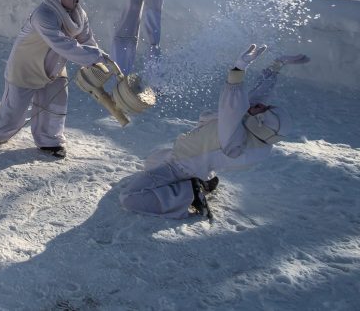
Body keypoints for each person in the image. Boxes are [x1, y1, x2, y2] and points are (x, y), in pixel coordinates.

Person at [119, 44, 309, 220]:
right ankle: (203, 182)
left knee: (129, 198)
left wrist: (239, 69)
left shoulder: (233, 138)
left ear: (260, 122)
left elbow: (231, 103)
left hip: (179, 168)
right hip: (180, 159)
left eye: (262, 108)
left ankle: (190, 192)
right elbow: (261, 92)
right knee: (150, 162)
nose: (261, 104)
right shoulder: (252, 128)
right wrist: (277, 65)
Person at [0, 0, 106, 159]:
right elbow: (62, 43)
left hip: (53, 65)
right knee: (15, 108)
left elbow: (86, 41)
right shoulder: (44, 14)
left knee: (56, 103)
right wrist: (93, 57)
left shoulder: (79, 16)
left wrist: (96, 59)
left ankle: (50, 140)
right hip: (26, 65)